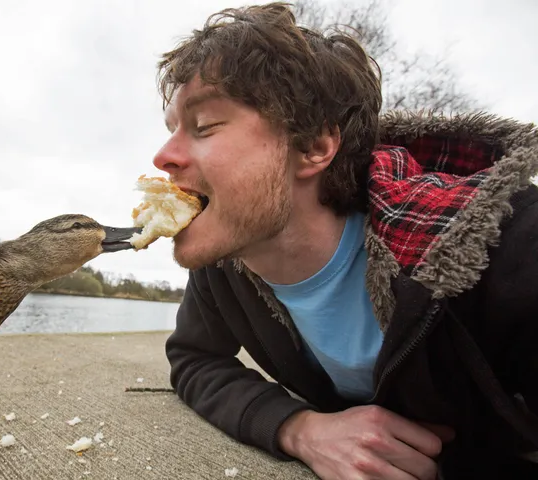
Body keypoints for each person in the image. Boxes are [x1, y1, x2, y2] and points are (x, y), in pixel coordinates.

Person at [150, 2, 538, 479]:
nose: (162, 157)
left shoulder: (507, 245)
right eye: (171, 131)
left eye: (204, 126)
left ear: (314, 146)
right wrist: (297, 427)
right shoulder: (227, 260)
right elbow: (194, 358)